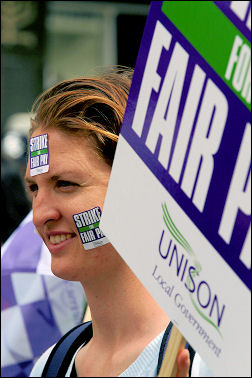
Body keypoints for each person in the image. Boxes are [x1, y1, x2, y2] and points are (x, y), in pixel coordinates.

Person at [24, 66, 214, 377]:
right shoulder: (50, 366)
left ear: (139, 188)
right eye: (34, 188)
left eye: (65, 184)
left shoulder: (208, 363)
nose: (40, 214)